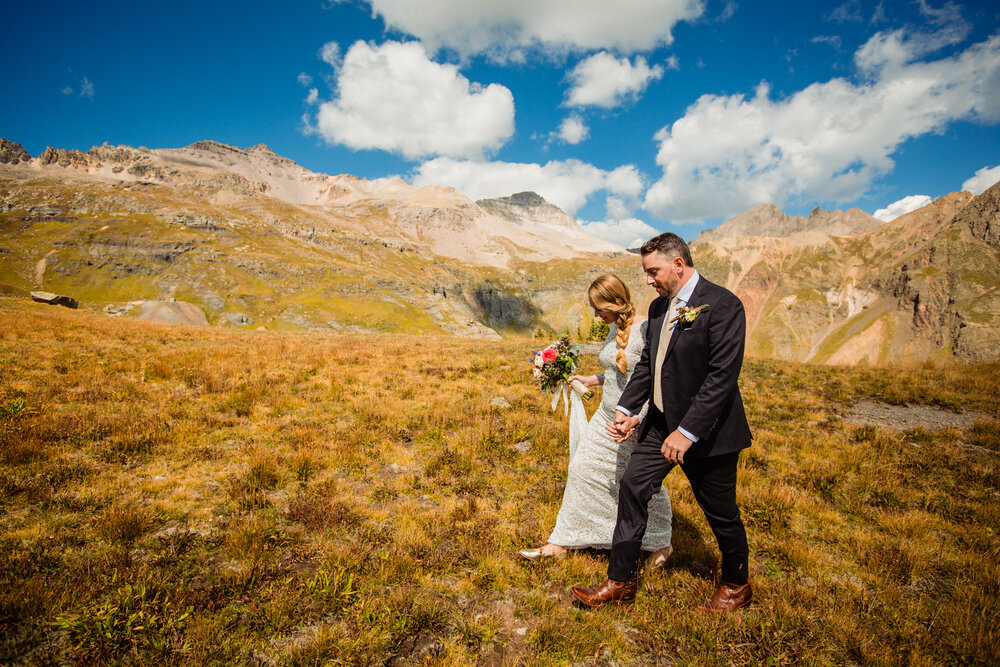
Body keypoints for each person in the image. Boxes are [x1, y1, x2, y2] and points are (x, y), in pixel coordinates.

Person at [571, 233, 753, 612]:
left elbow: (722, 378)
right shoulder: (657, 309)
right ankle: (620, 581)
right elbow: (647, 366)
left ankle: (736, 585)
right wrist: (626, 409)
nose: (648, 280)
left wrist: (686, 434)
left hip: (710, 433)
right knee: (633, 487)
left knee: (721, 512)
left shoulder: (723, 305)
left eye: (653, 272)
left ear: (678, 264)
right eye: (646, 272)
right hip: (657, 424)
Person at [520, 274, 673, 567]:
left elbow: (653, 381)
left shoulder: (645, 328)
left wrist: (637, 420)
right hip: (604, 415)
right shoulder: (613, 327)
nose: (595, 314)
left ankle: (661, 541)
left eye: (598, 308)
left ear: (614, 302)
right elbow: (616, 372)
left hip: (632, 423)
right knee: (581, 469)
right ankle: (562, 540)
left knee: (642, 483)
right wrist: (591, 379)